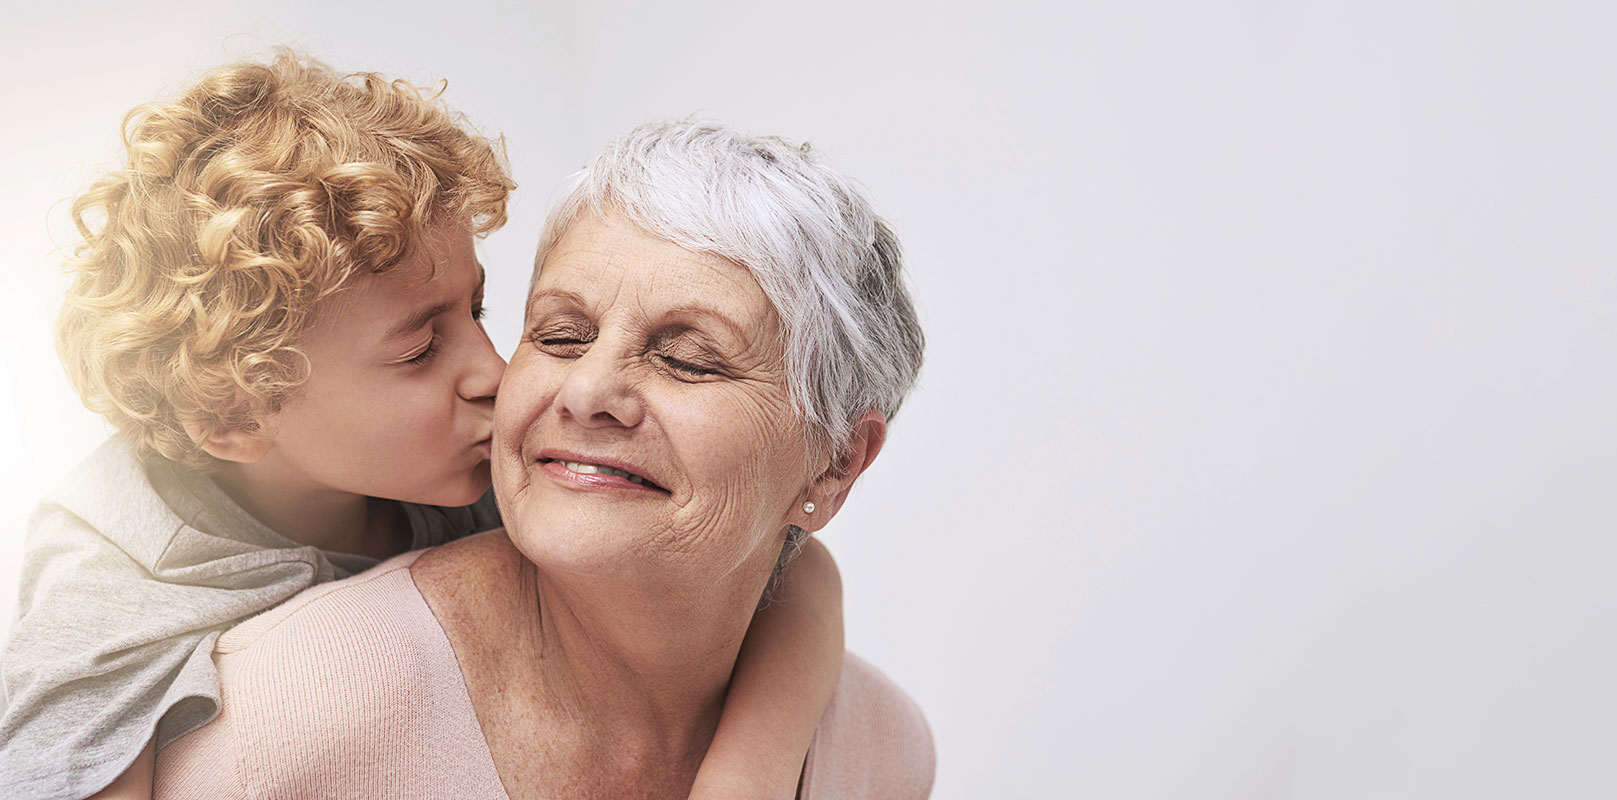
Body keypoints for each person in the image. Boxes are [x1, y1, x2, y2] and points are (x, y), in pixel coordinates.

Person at [0, 54, 847, 800]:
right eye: (419, 351)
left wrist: (747, 777)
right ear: (235, 414)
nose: (494, 371)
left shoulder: (466, 479)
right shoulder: (112, 577)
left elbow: (795, 567)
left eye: (477, 309)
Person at [151, 118, 935, 798]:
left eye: (689, 358)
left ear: (835, 462)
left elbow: (801, 571)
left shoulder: (884, 754)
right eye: (560, 336)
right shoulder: (284, 718)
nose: (586, 390)